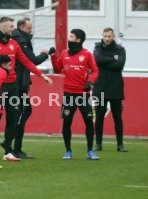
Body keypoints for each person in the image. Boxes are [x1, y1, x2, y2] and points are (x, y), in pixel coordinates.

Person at [0, 16, 53, 161]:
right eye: (11, 27)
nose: (13, 29)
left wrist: (43, 76)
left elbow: (27, 62)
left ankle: (8, 152)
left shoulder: (13, 44)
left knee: (13, 118)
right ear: (2, 27)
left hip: (13, 87)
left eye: (13, 26)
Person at [50, 29, 100, 160]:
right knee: (67, 123)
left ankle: (90, 151)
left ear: (78, 40)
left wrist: (90, 81)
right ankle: (68, 151)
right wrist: (53, 56)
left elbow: (95, 71)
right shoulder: (65, 53)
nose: (69, 38)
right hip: (68, 94)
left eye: (71, 37)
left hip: (84, 95)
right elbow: (57, 69)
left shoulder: (87, 54)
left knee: (89, 122)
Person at [11, 17, 50, 159]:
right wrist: (46, 54)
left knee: (20, 113)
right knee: (22, 113)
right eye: (28, 28)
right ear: (21, 27)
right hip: (18, 84)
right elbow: (32, 61)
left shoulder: (18, 39)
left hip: (18, 83)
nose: (30, 30)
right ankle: (13, 146)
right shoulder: (21, 41)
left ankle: (11, 145)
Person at [93, 27, 127, 152]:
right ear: (102, 36)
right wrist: (113, 59)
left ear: (113, 37)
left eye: (109, 36)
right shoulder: (97, 48)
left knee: (117, 118)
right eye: (105, 36)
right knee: (99, 117)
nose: (107, 39)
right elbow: (98, 59)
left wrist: (106, 62)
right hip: (100, 88)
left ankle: (120, 144)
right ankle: (98, 144)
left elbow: (120, 64)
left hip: (116, 88)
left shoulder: (120, 49)